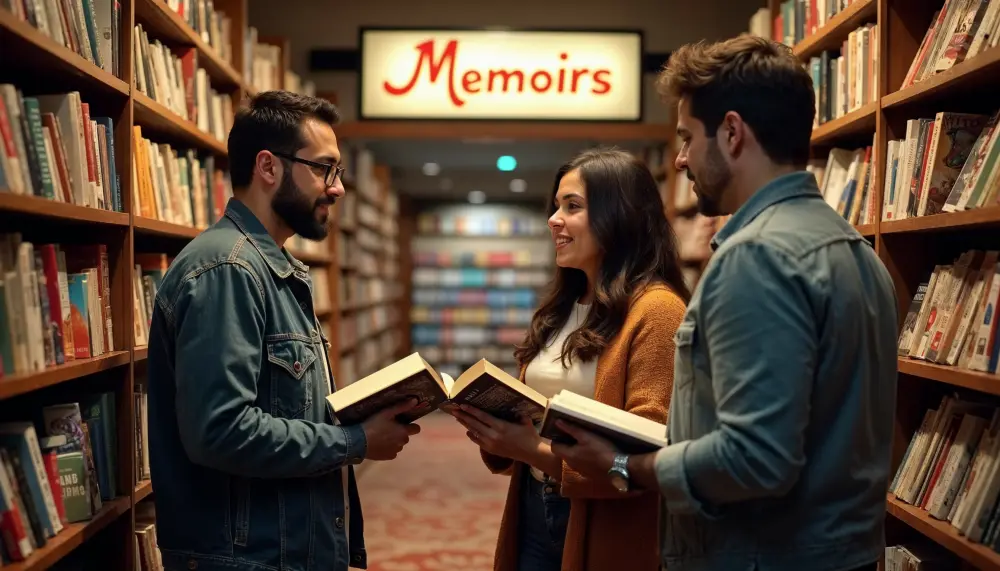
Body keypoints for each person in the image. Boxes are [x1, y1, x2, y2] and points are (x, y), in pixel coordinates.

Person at [550, 34, 898, 571]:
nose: (683, 158)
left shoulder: (757, 259)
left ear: (732, 133)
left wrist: (623, 463)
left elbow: (754, 458)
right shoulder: (857, 252)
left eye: (688, 137)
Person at [145, 90, 424, 571]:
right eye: (324, 168)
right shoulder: (228, 270)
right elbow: (220, 431)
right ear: (269, 167)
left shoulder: (273, 268)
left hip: (279, 548)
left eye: (337, 172)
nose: (336, 188)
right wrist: (356, 442)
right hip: (247, 557)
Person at [450, 148, 691, 571]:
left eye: (572, 206)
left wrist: (531, 449)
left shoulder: (657, 310)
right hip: (533, 501)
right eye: (556, 206)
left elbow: (647, 451)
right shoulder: (565, 304)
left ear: (619, 215)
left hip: (605, 521)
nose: (554, 219)